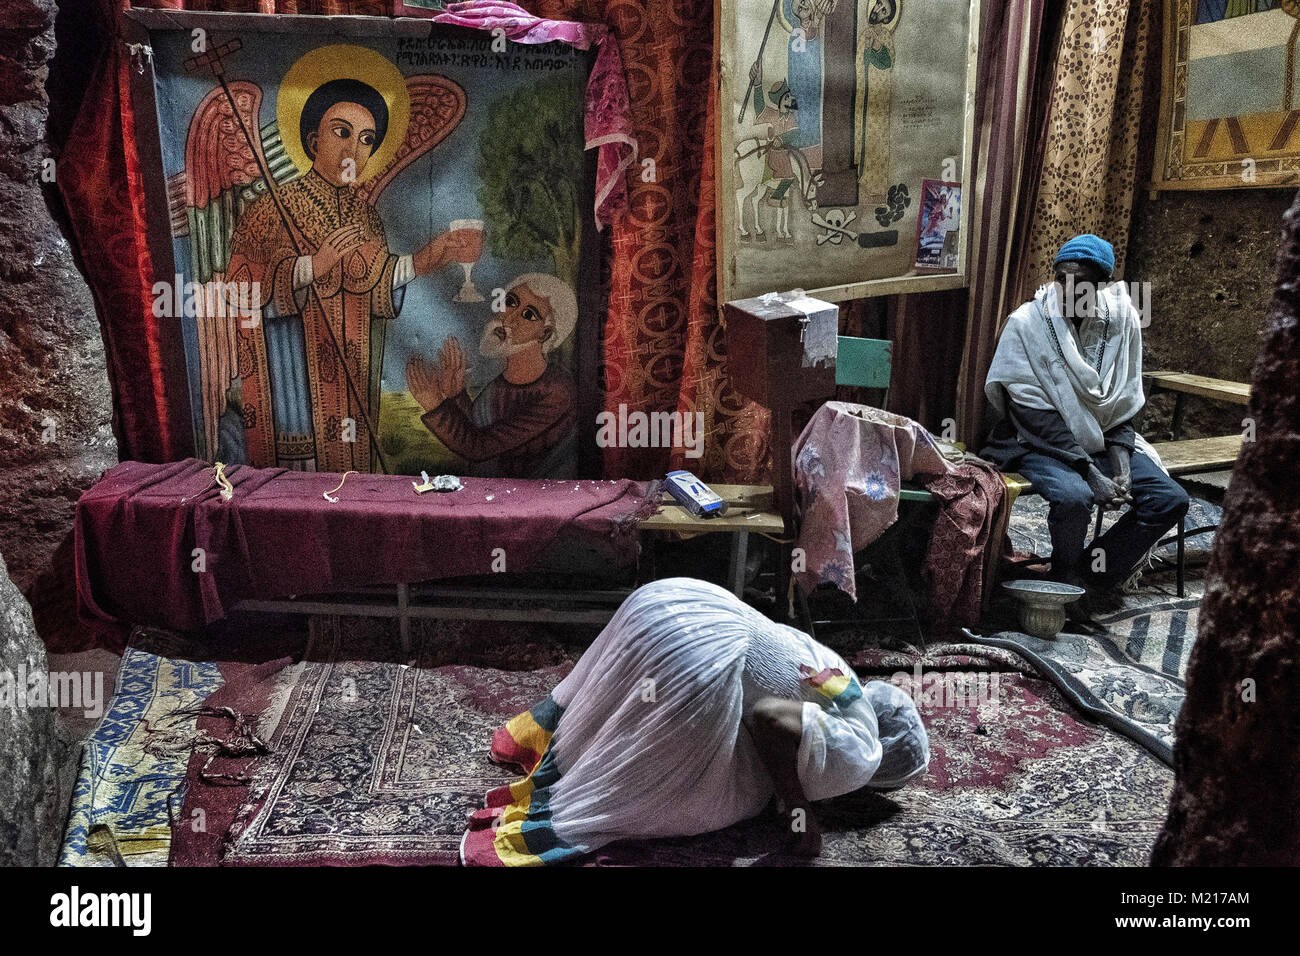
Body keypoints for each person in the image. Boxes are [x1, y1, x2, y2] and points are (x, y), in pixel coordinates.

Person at [460, 577, 930, 866]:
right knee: (716, 798)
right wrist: (796, 807)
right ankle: (538, 828)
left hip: (674, 601)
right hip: (695, 659)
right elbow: (770, 718)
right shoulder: (865, 755)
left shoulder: (843, 675)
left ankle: (534, 742)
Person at [225, 78, 479, 471]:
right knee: (298, 478)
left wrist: (423, 260)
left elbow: (372, 280)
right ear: (312, 142)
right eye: (341, 132)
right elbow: (239, 286)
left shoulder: (366, 218)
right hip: (290, 377)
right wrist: (310, 267)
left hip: (347, 378)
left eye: (365, 139)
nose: (352, 149)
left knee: (350, 475)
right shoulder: (273, 207)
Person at [981, 234, 1189, 625]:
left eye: (1082, 284)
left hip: (1097, 442)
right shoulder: (1027, 324)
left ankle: (1094, 575)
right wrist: (1091, 473)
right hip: (1038, 444)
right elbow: (1033, 415)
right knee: (1075, 496)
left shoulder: (1120, 319)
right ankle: (1063, 575)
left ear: (1101, 286)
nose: (1069, 290)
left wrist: (1122, 467)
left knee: (1169, 498)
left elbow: (1121, 403)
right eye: (1062, 279)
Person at [406, 273, 577, 477]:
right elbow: (483, 429)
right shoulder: (503, 382)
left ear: (545, 334)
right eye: (511, 302)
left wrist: (435, 406)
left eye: (528, 315)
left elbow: (479, 447)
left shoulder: (556, 392)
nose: (509, 319)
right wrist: (456, 396)